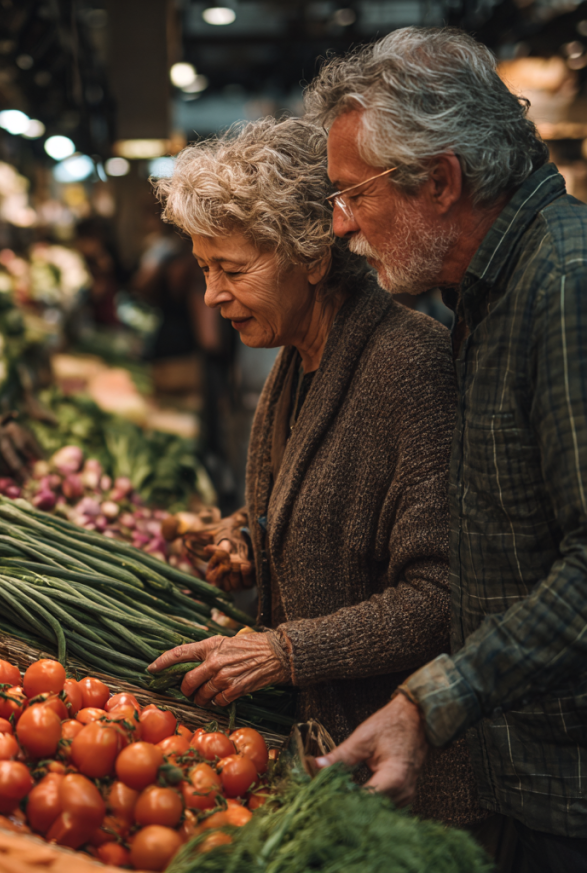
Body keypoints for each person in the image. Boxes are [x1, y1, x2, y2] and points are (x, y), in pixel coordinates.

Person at [146, 117, 485, 828]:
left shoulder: (409, 366)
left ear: (311, 256)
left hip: (400, 791)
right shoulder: (296, 361)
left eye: (233, 269)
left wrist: (284, 649)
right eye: (205, 268)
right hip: (326, 758)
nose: (211, 295)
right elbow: (321, 504)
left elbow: (442, 594)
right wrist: (249, 536)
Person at [303, 26, 587, 871]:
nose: (341, 224)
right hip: (524, 773)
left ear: (440, 180)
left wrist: (432, 702)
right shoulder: (482, 291)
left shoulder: (564, 286)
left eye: (354, 194)